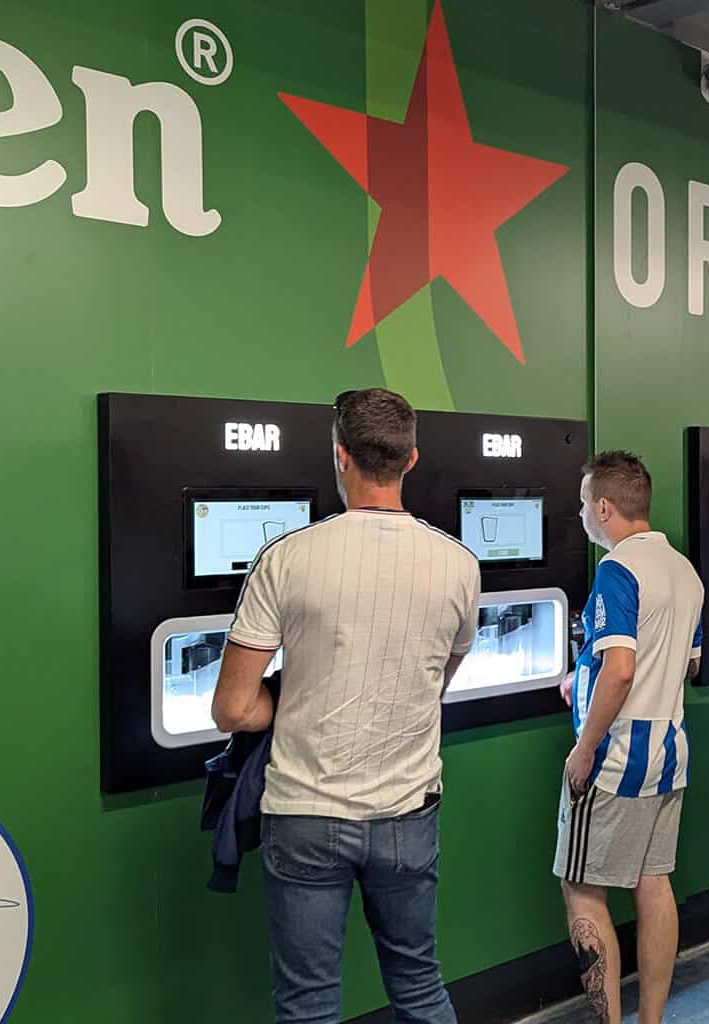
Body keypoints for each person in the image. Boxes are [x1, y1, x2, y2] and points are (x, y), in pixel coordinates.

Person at [211, 388, 480, 1024]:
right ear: (410, 460)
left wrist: (288, 695)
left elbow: (231, 708)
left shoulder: (286, 559)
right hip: (408, 814)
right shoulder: (459, 564)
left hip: (305, 813)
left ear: (340, 455)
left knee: (308, 1007)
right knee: (419, 986)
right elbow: (437, 675)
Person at [556, 451, 704, 1024]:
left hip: (617, 756)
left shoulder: (617, 570)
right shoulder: (683, 569)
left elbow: (620, 668)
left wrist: (584, 747)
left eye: (583, 506)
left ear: (604, 507)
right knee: (654, 882)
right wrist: (584, 674)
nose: (582, 516)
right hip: (670, 750)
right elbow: (684, 662)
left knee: (583, 888)